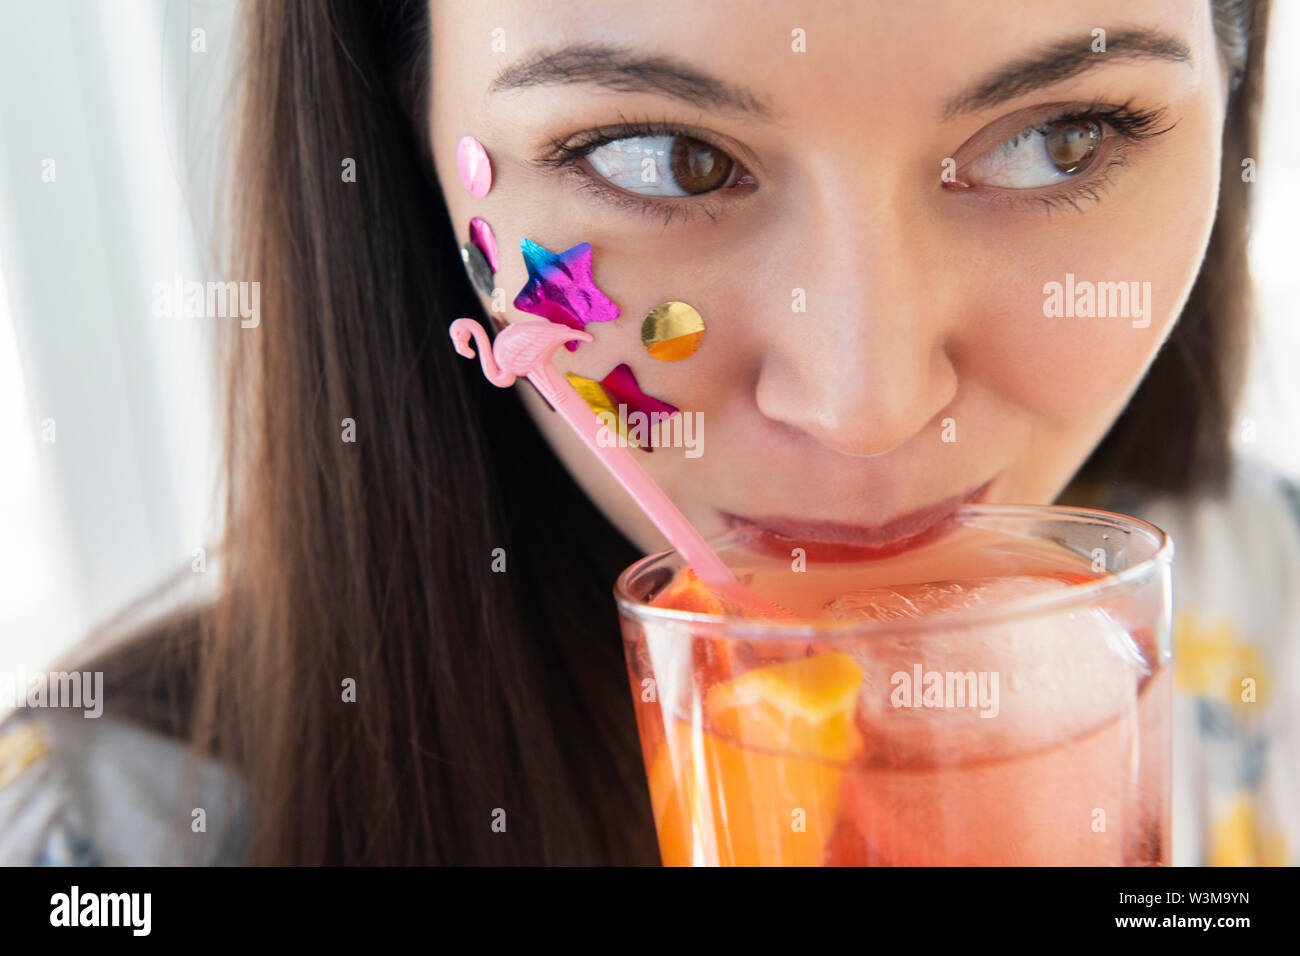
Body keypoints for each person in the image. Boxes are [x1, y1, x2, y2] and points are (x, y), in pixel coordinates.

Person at [1, 0, 1292, 866]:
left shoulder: (1273, 613)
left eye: (1059, 139)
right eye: (663, 158)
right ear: (403, 137)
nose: (866, 403)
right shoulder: (108, 841)